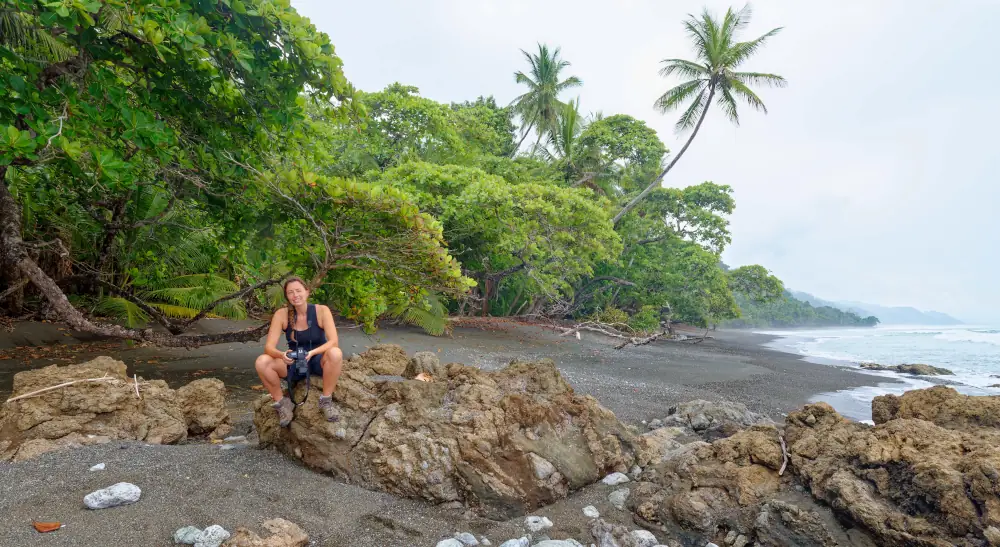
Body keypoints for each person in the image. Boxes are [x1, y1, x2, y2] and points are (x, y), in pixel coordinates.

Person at [254, 276, 343, 427]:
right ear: (287, 296)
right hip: (294, 361)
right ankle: (283, 403)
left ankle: (326, 401)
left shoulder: (321, 311)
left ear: (307, 292)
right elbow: (268, 347)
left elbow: (333, 341)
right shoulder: (281, 315)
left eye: (298, 291)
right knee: (262, 361)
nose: (295, 295)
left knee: (335, 353)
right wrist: (282, 355)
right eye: (290, 293)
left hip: (317, 359)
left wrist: (313, 353)